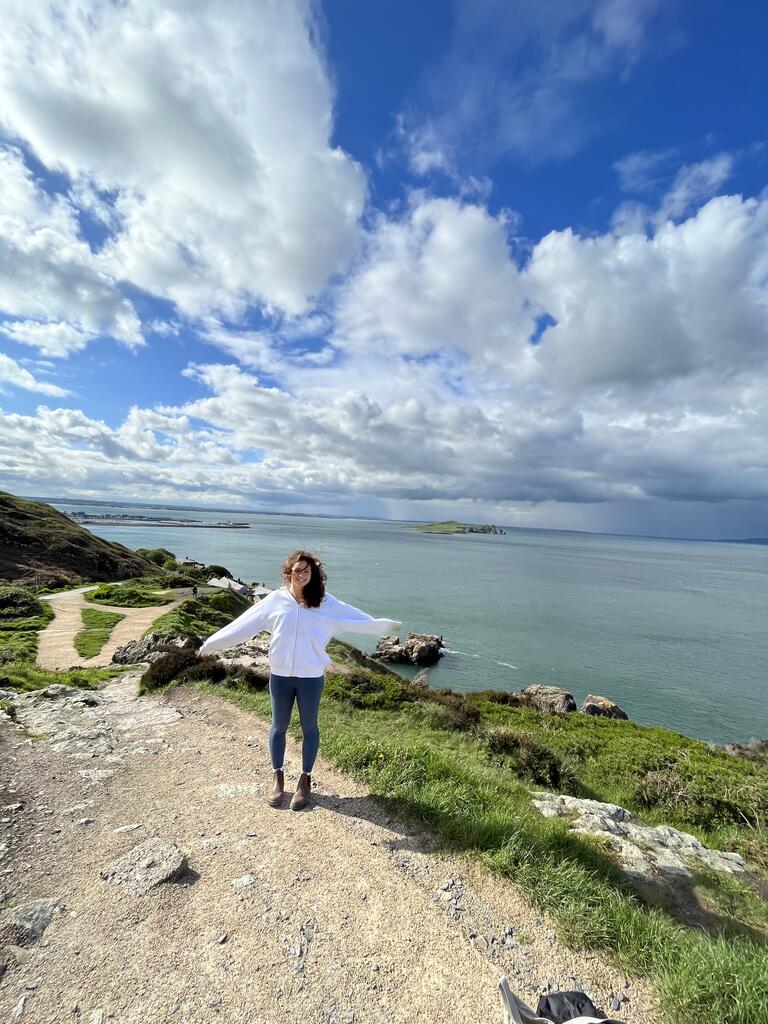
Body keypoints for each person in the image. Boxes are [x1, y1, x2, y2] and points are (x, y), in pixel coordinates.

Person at [199, 549, 401, 810]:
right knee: (278, 727)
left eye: (307, 571)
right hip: (281, 676)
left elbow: (357, 619)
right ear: (288, 572)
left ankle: (305, 781)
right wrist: (210, 644)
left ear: (313, 574)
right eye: (298, 570)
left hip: (310, 678)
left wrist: (387, 626)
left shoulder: (326, 603)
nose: (302, 574)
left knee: (309, 729)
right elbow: (242, 625)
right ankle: (278, 777)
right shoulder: (274, 600)